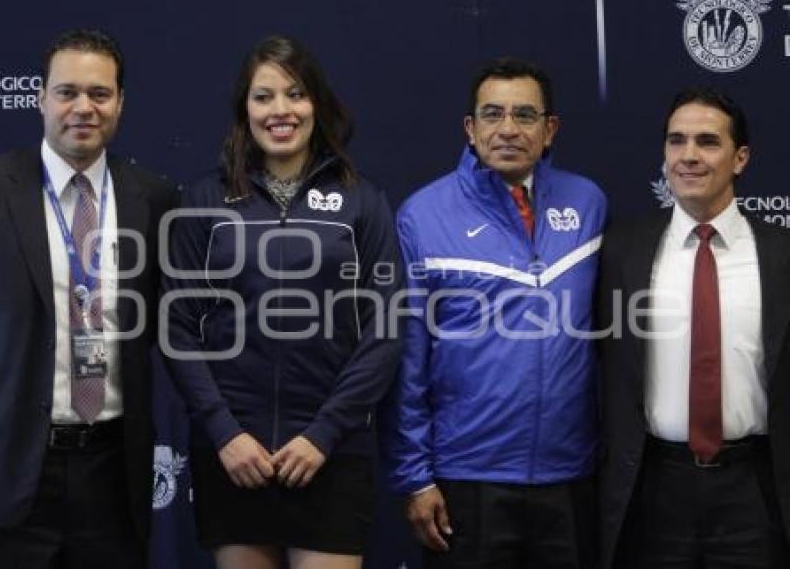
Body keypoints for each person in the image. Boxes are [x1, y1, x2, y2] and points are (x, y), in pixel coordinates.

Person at [162, 35, 402, 569]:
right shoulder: (205, 199)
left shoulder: (362, 200)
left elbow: (383, 330)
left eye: (295, 94)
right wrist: (225, 433)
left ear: (316, 101)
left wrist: (322, 435)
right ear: (243, 109)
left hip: (331, 455)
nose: (281, 111)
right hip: (233, 457)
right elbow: (177, 327)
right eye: (263, 97)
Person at [0, 28, 176, 568]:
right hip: (1, 471)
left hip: (111, 477)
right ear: (41, 98)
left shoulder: (153, 198)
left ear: (120, 103)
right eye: (67, 92)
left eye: (99, 94)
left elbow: (168, 324)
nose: (83, 108)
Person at [381, 57, 607, 568]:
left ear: (549, 130)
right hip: (467, 478)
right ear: (470, 128)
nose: (508, 129)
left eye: (525, 115)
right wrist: (415, 476)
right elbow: (408, 358)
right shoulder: (423, 214)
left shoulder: (588, 203)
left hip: (569, 477)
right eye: (492, 114)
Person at [597, 87, 790, 568]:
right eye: (676, 141)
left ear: (740, 157)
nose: (688, 156)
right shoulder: (621, 250)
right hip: (653, 489)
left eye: (707, 142)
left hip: (757, 490)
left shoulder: (783, 254)